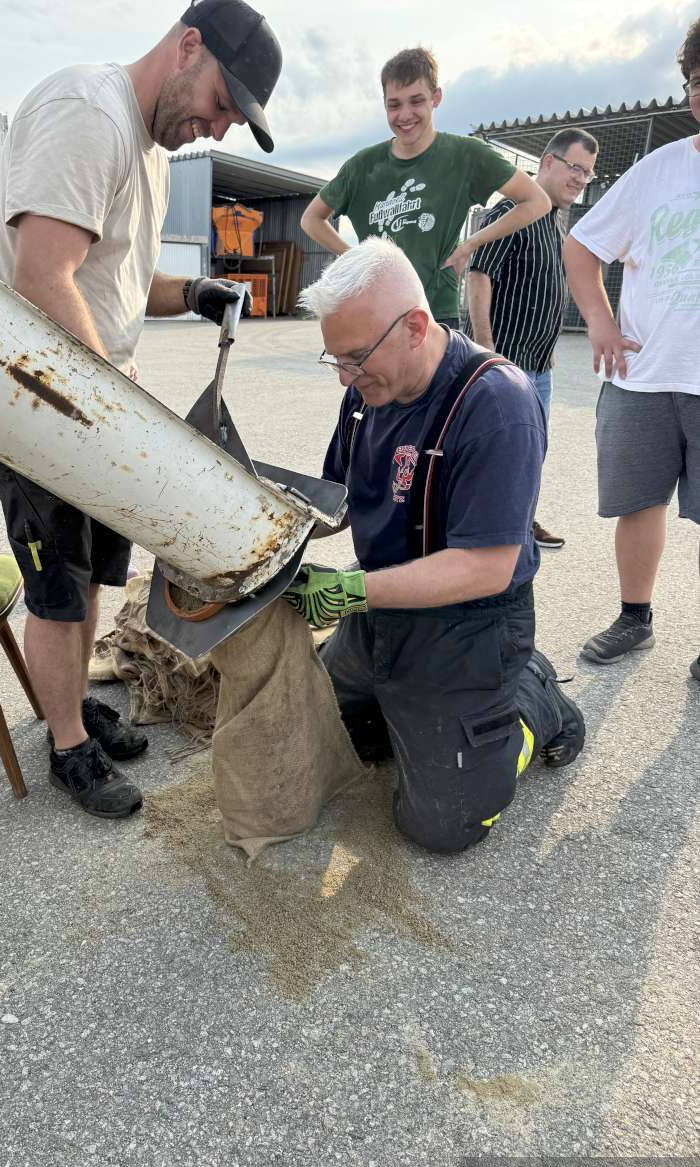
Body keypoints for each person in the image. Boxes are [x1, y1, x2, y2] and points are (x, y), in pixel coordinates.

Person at [0, 0, 283, 817]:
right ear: (189, 47)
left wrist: (193, 289)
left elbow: (111, 276)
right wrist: (119, 420)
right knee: (59, 588)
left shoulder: (147, 149)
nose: (218, 129)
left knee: (90, 580)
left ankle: (73, 706)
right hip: (37, 407)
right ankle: (67, 746)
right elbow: (43, 275)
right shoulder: (89, 112)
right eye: (222, 104)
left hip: (94, 410)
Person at [283, 239, 585, 853]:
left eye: (356, 358)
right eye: (334, 359)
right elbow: (338, 498)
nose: (344, 376)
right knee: (328, 739)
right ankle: (425, 708)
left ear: (416, 326)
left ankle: (531, 699)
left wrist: (348, 590)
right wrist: (273, 534)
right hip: (382, 609)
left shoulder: (496, 403)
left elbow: (486, 567)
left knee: (441, 826)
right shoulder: (367, 393)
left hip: (468, 623)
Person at [563, 18, 700, 677]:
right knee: (639, 502)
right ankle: (633, 618)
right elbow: (582, 246)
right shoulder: (659, 171)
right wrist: (600, 321)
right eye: (698, 82)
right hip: (643, 376)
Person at [299, 46, 550, 328]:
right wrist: (354, 258)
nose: (405, 114)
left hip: (436, 312)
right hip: (377, 311)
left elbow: (537, 201)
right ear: (384, 105)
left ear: (436, 98)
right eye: (394, 104)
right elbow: (311, 219)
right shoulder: (362, 166)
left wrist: (471, 244)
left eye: (416, 101)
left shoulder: (466, 155)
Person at [467, 127, 600, 549]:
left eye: (588, 173)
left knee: (529, 454)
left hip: (538, 365)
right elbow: (479, 274)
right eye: (575, 167)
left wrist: (549, 350)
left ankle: (518, 524)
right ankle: (486, 534)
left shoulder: (553, 224)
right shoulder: (512, 209)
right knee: (499, 453)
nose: (581, 179)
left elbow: (540, 291)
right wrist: (486, 347)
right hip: (504, 363)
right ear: (547, 162)